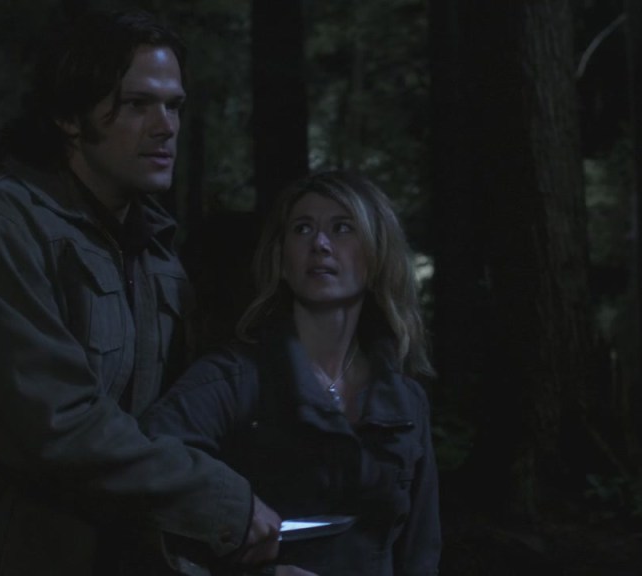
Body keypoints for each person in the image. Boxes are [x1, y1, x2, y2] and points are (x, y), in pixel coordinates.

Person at [0, 8, 280, 575]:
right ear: (69, 117)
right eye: (138, 104)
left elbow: (157, 436)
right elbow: (54, 426)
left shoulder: (158, 260)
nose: (165, 126)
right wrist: (220, 501)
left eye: (174, 106)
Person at [141, 170, 443, 576]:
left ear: (377, 256)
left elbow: (421, 551)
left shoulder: (405, 400)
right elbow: (147, 467)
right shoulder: (233, 378)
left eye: (342, 228)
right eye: (303, 229)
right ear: (282, 260)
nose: (320, 244)